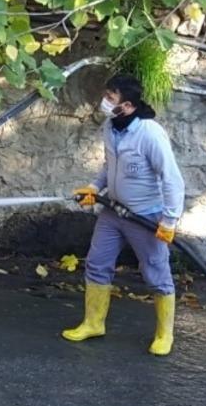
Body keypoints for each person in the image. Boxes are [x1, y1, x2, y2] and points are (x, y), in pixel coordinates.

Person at [65, 74, 185, 355]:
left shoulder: (150, 134)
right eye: (106, 95)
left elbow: (172, 180)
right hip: (113, 212)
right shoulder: (111, 127)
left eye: (111, 98)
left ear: (128, 105)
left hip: (146, 217)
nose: (104, 102)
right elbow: (110, 165)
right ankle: (94, 323)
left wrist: (169, 220)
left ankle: (164, 335)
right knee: (97, 263)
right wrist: (95, 188)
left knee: (156, 273)